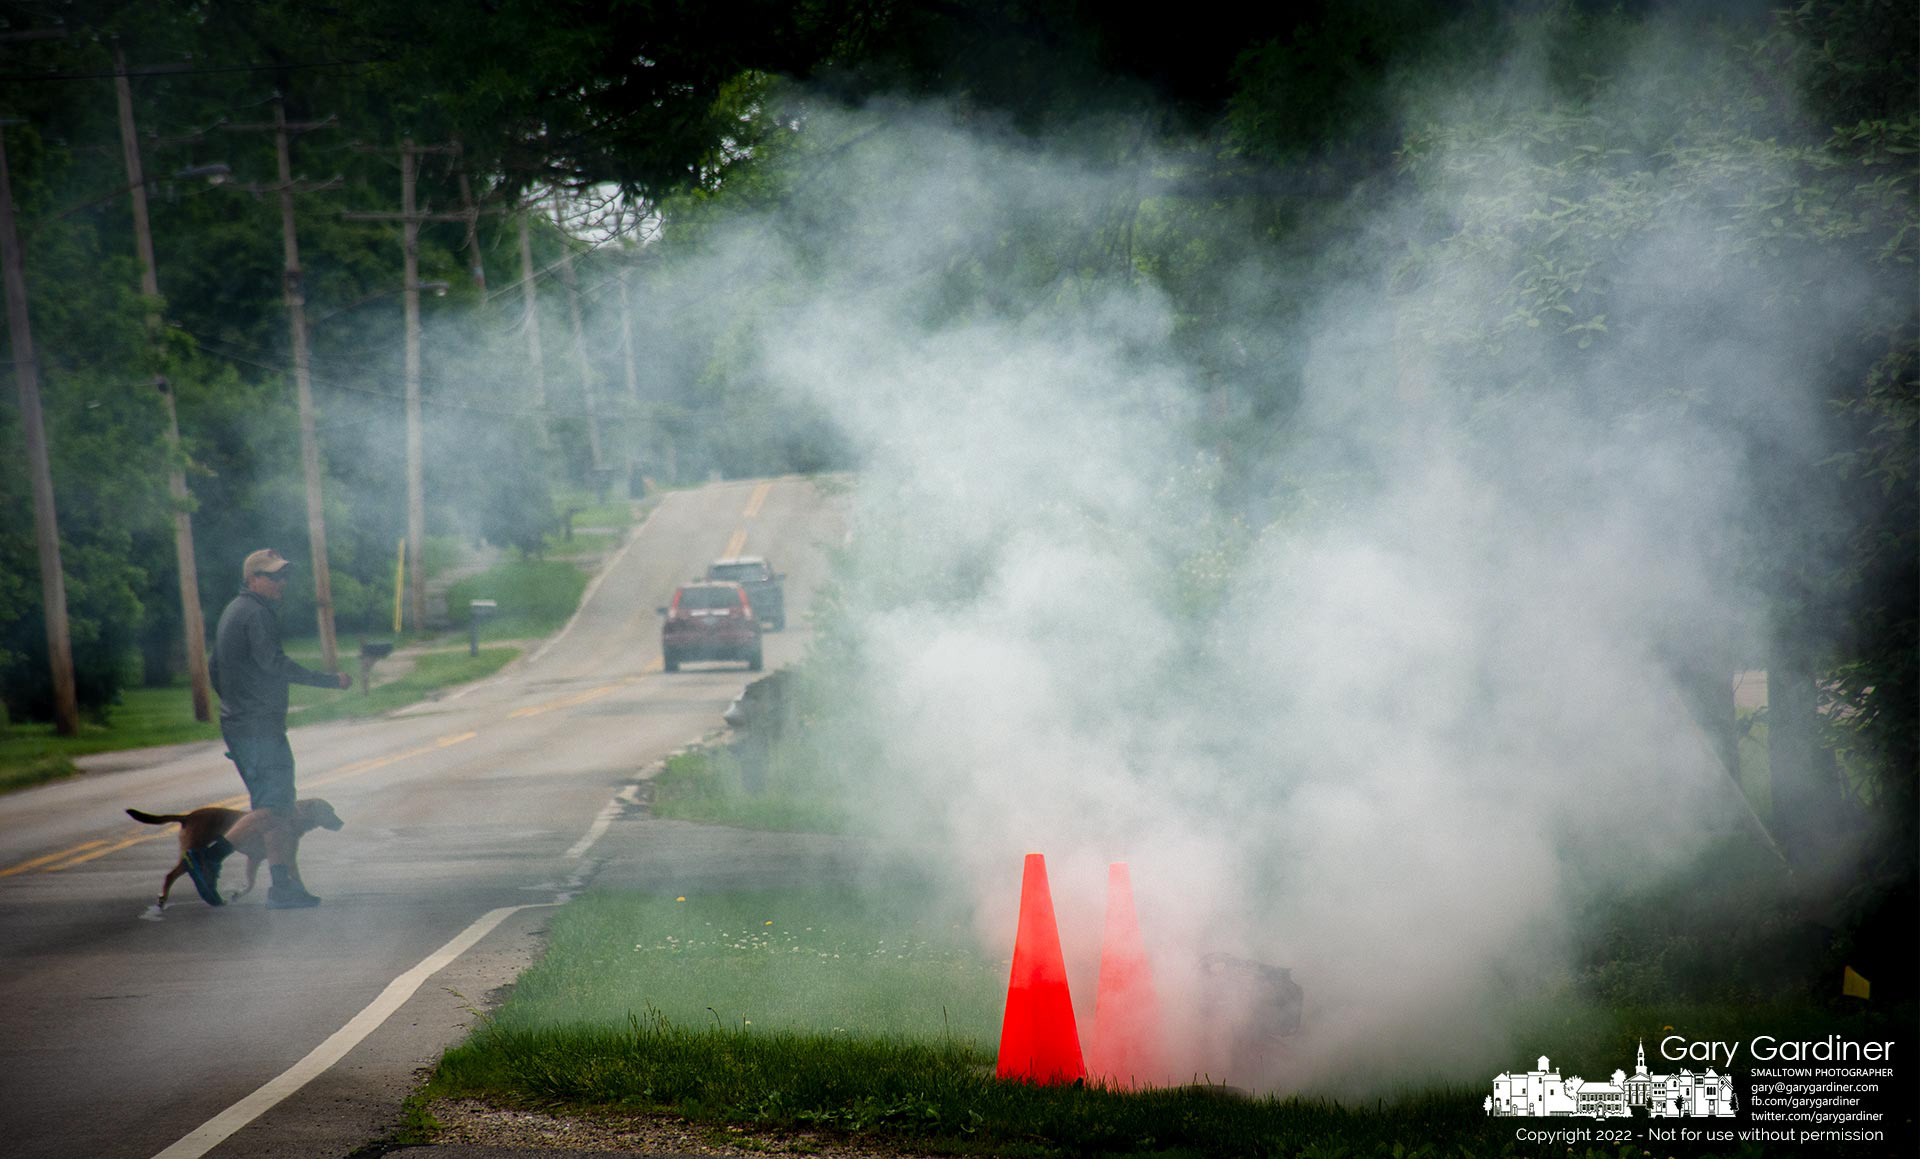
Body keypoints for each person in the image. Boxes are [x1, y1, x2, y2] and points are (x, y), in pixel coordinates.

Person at [186, 548, 351, 910]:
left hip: (246, 723)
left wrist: (233, 708)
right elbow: (273, 663)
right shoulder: (256, 614)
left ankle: (281, 887)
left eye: (283, 576)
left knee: (276, 806)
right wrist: (328, 681)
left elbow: (215, 668)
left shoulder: (235, 611)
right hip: (256, 725)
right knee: (275, 805)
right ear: (252, 579)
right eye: (273, 576)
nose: (281, 583)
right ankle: (209, 858)